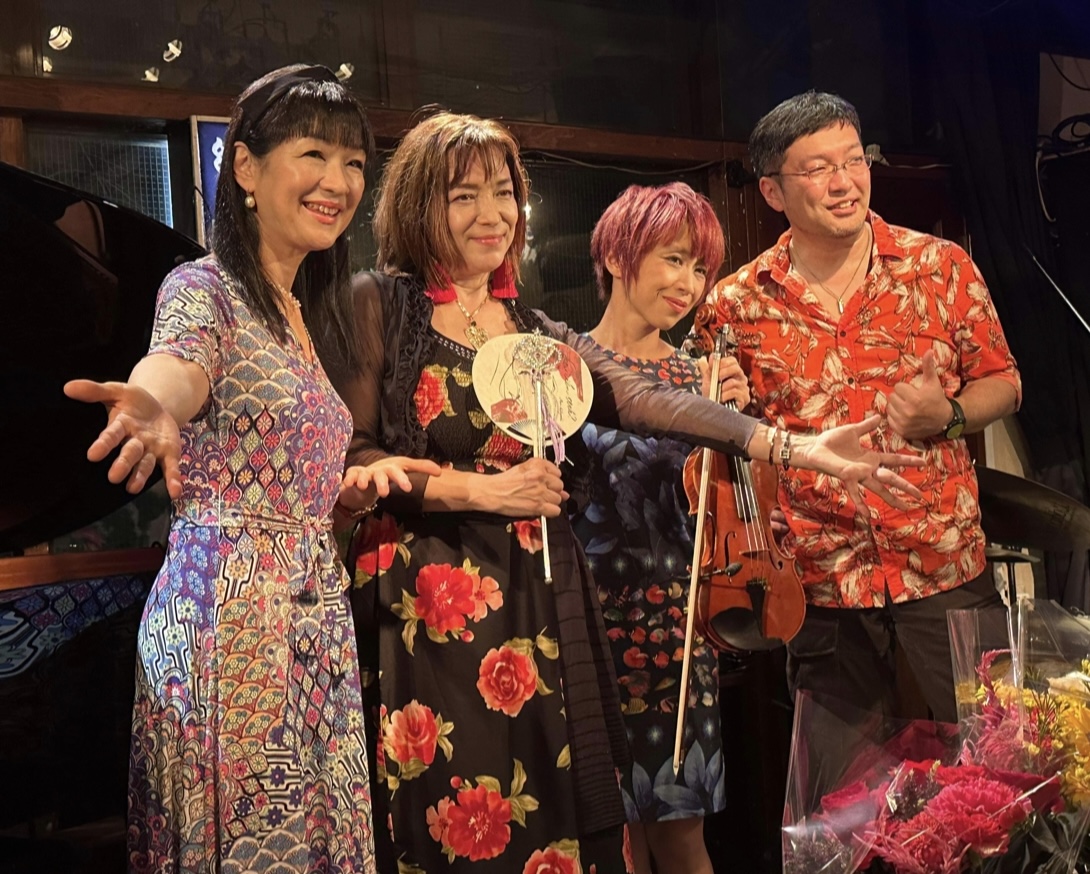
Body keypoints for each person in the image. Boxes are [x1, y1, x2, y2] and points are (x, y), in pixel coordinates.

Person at [320, 110, 924, 874]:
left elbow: (643, 398)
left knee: (550, 812)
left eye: (503, 193)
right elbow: (355, 458)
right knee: (451, 811)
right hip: (430, 602)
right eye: (463, 196)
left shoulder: (533, 329)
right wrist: (485, 492)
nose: (492, 214)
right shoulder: (377, 303)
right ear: (418, 205)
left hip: (538, 600)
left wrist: (792, 446)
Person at [64, 64, 436, 873]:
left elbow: (280, 472)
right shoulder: (204, 289)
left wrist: (343, 496)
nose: (338, 182)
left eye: (353, 164)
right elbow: (176, 366)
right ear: (245, 167)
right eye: (313, 154)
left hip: (312, 621)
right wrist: (154, 403)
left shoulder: (306, 312)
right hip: (231, 628)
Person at [699, 91, 1022, 725]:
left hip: (942, 560)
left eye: (854, 159)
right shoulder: (735, 304)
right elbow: (734, 439)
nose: (845, 182)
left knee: (999, 751)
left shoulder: (940, 267)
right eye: (818, 168)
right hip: (820, 578)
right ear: (772, 191)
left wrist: (950, 414)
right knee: (841, 779)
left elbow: (1004, 382)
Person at [570, 182, 749, 874]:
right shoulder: (568, 369)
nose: (689, 285)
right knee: (610, 844)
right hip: (587, 626)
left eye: (700, 268)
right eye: (674, 260)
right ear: (618, 256)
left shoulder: (700, 377)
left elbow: (727, 513)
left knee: (681, 835)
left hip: (676, 626)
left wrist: (732, 426)